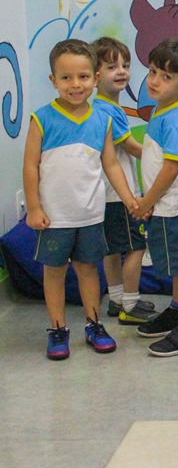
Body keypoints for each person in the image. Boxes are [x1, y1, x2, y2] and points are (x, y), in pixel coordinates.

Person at [24, 39, 139, 360]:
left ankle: (93, 324)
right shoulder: (41, 119)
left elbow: (111, 164)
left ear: (95, 75)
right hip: (54, 217)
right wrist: (33, 207)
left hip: (90, 216)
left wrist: (130, 198)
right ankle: (58, 329)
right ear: (53, 80)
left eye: (84, 77)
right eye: (66, 78)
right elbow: (30, 166)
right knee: (55, 271)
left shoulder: (101, 118)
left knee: (89, 270)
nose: (76, 85)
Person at [133, 39, 178, 356]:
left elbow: (170, 169)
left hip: (175, 208)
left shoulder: (176, 119)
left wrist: (147, 200)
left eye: (165, 77)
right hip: (163, 207)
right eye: (152, 72)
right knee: (177, 266)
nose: (154, 81)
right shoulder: (162, 112)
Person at [90, 37, 153, 325]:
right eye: (111, 66)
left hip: (104, 194)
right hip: (118, 193)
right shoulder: (108, 110)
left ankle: (116, 298)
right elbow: (129, 146)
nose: (121, 72)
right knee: (136, 246)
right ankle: (130, 302)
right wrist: (160, 158)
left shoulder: (98, 107)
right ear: (95, 74)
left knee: (112, 248)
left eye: (125, 65)